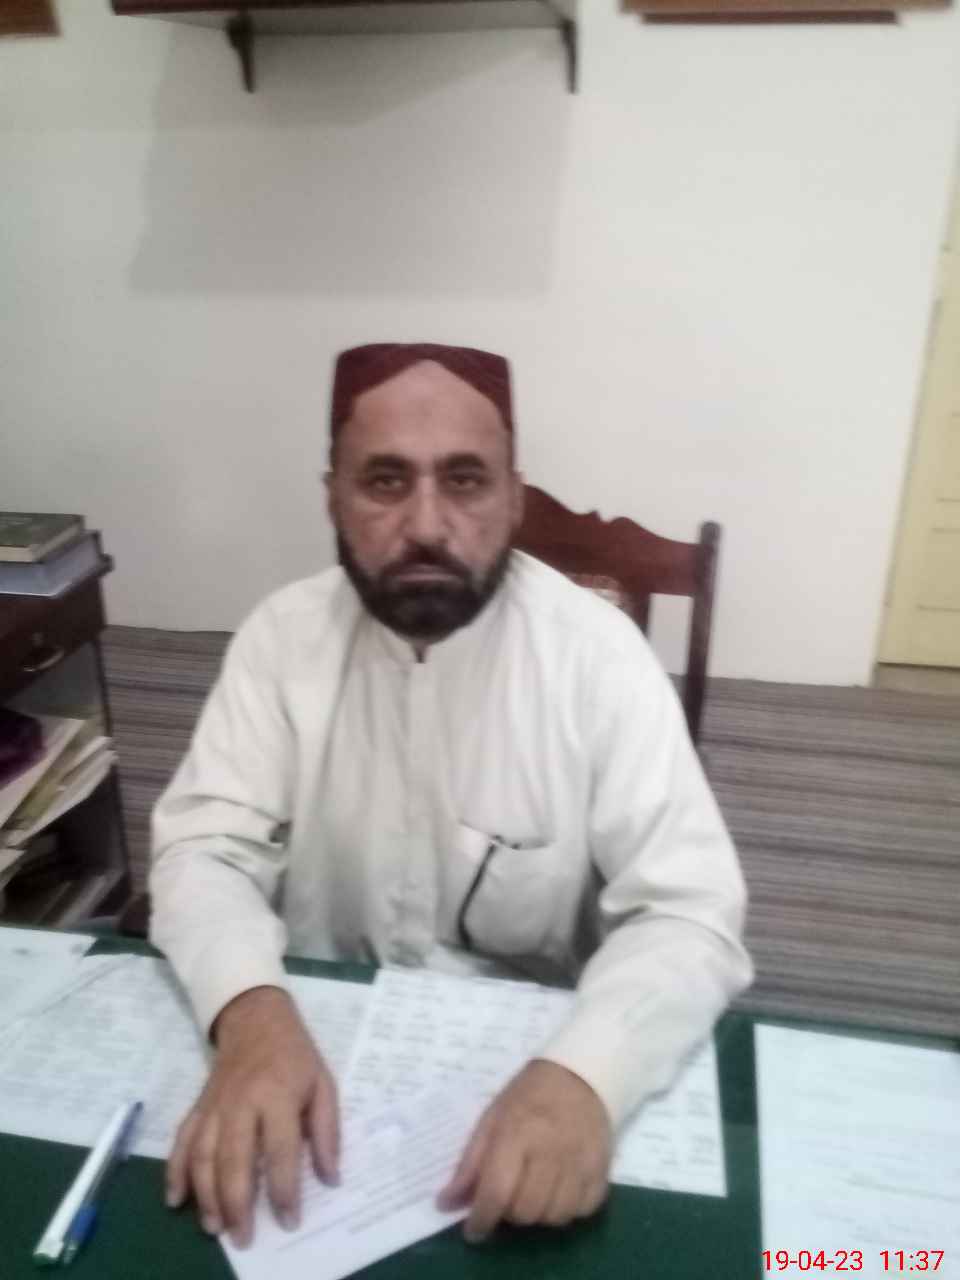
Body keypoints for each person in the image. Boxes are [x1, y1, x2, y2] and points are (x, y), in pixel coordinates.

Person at [150, 342, 752, 1251]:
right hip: (312, 1070)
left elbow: (690, 914)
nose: (427, 524)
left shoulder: (597, 659)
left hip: (532, 1087)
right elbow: (204, 851)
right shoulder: (281, 640)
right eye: (385, 481)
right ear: (333, 498)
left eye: (465, 482)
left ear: (514, 499)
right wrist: (250, 1013)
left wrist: (587, 1077)